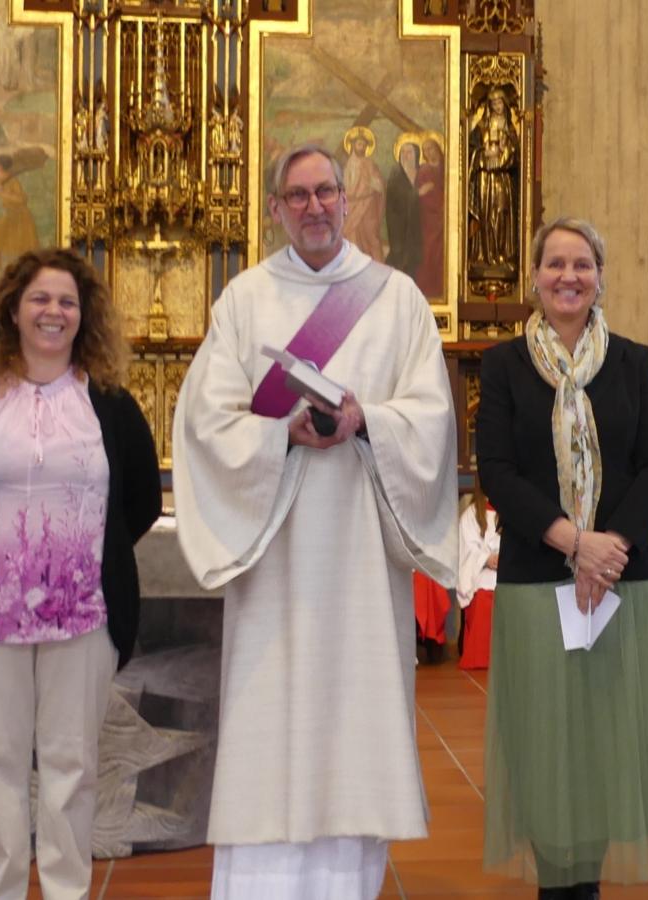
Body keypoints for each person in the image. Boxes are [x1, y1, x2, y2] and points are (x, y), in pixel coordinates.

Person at [171, 144, 458, 899]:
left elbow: (432, 417)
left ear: (347, 199)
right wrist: (279, 434)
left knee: (350, 729)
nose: (314, 207)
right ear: (274, 209)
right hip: (276, 555)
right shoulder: (244, 299)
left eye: (326, 191)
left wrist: (369, 420)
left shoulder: (396, 299)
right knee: (270, 719)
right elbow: (204, 421)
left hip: (360, 553)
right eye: (295, 196)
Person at [0, 248, 162, 900]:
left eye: (68, 301)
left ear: (85, 316)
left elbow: (141, 502)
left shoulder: (108, 403)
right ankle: (3, 892)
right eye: (41, 299)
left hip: (83, 617)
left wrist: (78, 560)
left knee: (73, 765)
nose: (54, 312)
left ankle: (69, 892)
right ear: (13, 310)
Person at [476, 217, 648, 898]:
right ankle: (554, 885)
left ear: (600, 277)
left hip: (623, 580)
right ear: (534, 278)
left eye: (582, 264)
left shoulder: (633, 361)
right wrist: (575, 542)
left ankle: (587, 885)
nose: (568, 276)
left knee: (603, 740)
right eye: (555, 264)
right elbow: (497, 470)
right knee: (545, 745)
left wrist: (610, 548)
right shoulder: (505, 365)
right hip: (540, 579)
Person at [468, 89, 519, 275]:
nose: (497, 106)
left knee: (501, 212)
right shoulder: (481, 126)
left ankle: (503, 256)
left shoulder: (510, 128)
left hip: (502, 178)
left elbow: (518, 155)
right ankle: (485, 256)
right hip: (485, 177)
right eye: (493, 104)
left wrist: (506, 152)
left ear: (505, 105)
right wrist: (483, 155)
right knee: (486, 215)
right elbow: (469, 151)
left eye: (499, 103)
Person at [455, 473, 500, 670]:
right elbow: (468, 548)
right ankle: (480, 657)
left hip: (505, 571)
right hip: (481, 571)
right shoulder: (472, 513)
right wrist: (486, 559)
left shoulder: (511, 511)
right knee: (484, 594)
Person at [340, 126, 386, 261]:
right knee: (353, 237)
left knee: (372, 237)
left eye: (364, 145)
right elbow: (346, 186)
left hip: (369, 205)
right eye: (359, 144)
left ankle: (378, 267)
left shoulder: (370, 164)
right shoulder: (349, 165)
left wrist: (375, 184)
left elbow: (379, 184)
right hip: (354, 205)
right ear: (353, 145)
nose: (362, 147)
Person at [0, 154, 38, 265]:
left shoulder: (12, 181)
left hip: (19, 215)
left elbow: (22, 199)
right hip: (10, 214)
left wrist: (3, 193)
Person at [385, 135, 423, 279]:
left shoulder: (422, 173)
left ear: (416, 155)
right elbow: (392, 205)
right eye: (403, 152)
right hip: (400, 227)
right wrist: (416, 194)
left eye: (409, 152)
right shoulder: (396, 176)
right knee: (400, 261)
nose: (406, 156)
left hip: (420, 225)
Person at [412, 133, 445, 298]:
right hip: (429, 219)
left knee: (443, 254)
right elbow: (419, 195)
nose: (429, 152)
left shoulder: (447, 166)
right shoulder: (424, 170)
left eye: (431, 148)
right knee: (429, 253)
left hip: (446, 218)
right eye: (425, 150)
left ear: (437, 148)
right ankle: (428, 291)